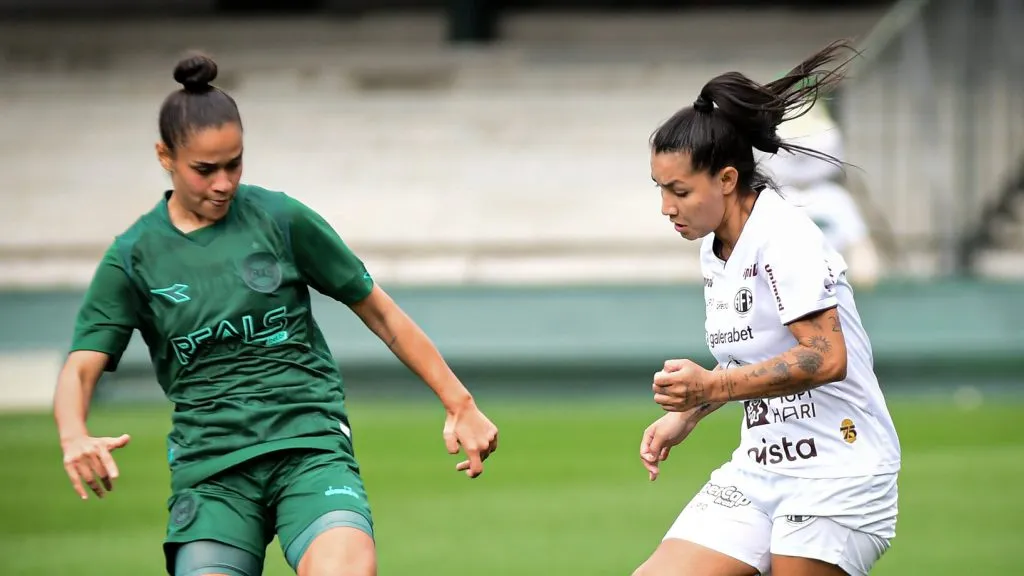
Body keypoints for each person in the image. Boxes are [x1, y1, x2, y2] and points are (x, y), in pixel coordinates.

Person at [52, 53, 499, 576]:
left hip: (308, 445)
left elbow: (381, 313)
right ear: (165, 157)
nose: (223, 183)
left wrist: (459, 401)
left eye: (234, 164)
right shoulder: (134, 256)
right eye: (204, 170)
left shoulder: (281, 219)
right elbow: (81, 365)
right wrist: (72, 434)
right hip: (212, 469)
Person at [635, 40, 901, 576]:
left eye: (680, 191)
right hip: (761, 469)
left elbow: (826, 357)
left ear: (727, 180)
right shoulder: (717, 248)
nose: (666, 207)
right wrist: (690, 413)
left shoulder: (783, 235)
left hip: (839, 471)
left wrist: (712, 388)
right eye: (660, 189)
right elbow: (750, 359)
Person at [759, 100, 882, 290]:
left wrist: (863, 274)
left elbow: (861, 252)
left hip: (829, 291)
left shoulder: (836, 199)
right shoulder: (767, 200)